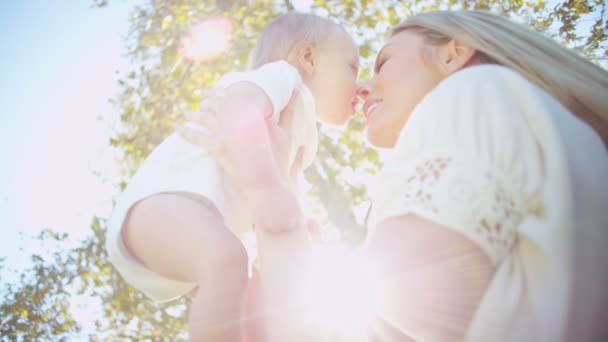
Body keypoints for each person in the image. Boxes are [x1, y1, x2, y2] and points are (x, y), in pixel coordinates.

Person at [182, 10, 608, 341]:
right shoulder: (534, 127)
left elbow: (411, 311)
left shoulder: (472, 92)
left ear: (451, 54)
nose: (363, 88)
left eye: (382, 62)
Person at [105, 12, 360, 342]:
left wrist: (299, 221)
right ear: (307, 57)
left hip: (194, 225)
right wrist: (265, 187)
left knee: (255, 309)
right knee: (229, 261)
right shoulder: (280, 78)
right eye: (352, 67)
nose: (360, 82)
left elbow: (286, 184)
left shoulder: (300, 130)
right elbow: (240, 113)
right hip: (162, 205)